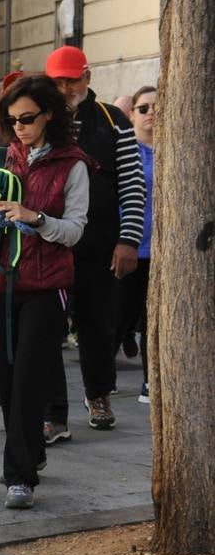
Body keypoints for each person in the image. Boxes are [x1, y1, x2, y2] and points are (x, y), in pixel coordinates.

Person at [0, 74, 90, 509]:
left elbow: (75, 231)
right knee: (6, 372)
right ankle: (30, 453)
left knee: (29, 378)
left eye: (28, 118)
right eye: (12, 119)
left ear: (49, 116)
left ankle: (18, 475)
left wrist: (35, 218)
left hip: (45, 284)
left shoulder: (72, 164)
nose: (19, 126)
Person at [41, 45, 147, 437]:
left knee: (99, 323)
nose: (67, 87)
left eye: (73, 79)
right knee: (48, 326)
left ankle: (98, 393)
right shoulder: (41, 118)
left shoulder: (112, 120)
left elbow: (133, 185)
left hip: (100, 243)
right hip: (50, 242)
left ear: (87, 77)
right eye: (59, 81)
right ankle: (54, 413)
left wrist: (129, 240)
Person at [115, 84, 155, 403]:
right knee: (119, 317)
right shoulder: (125, 151)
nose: (151, 113)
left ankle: (150, 381)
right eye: (144, 108)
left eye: (157, 107)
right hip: (129, 248)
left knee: (154, 319)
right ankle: (100, 381)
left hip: (165, 253)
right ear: (132, 115)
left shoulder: (180, 148)